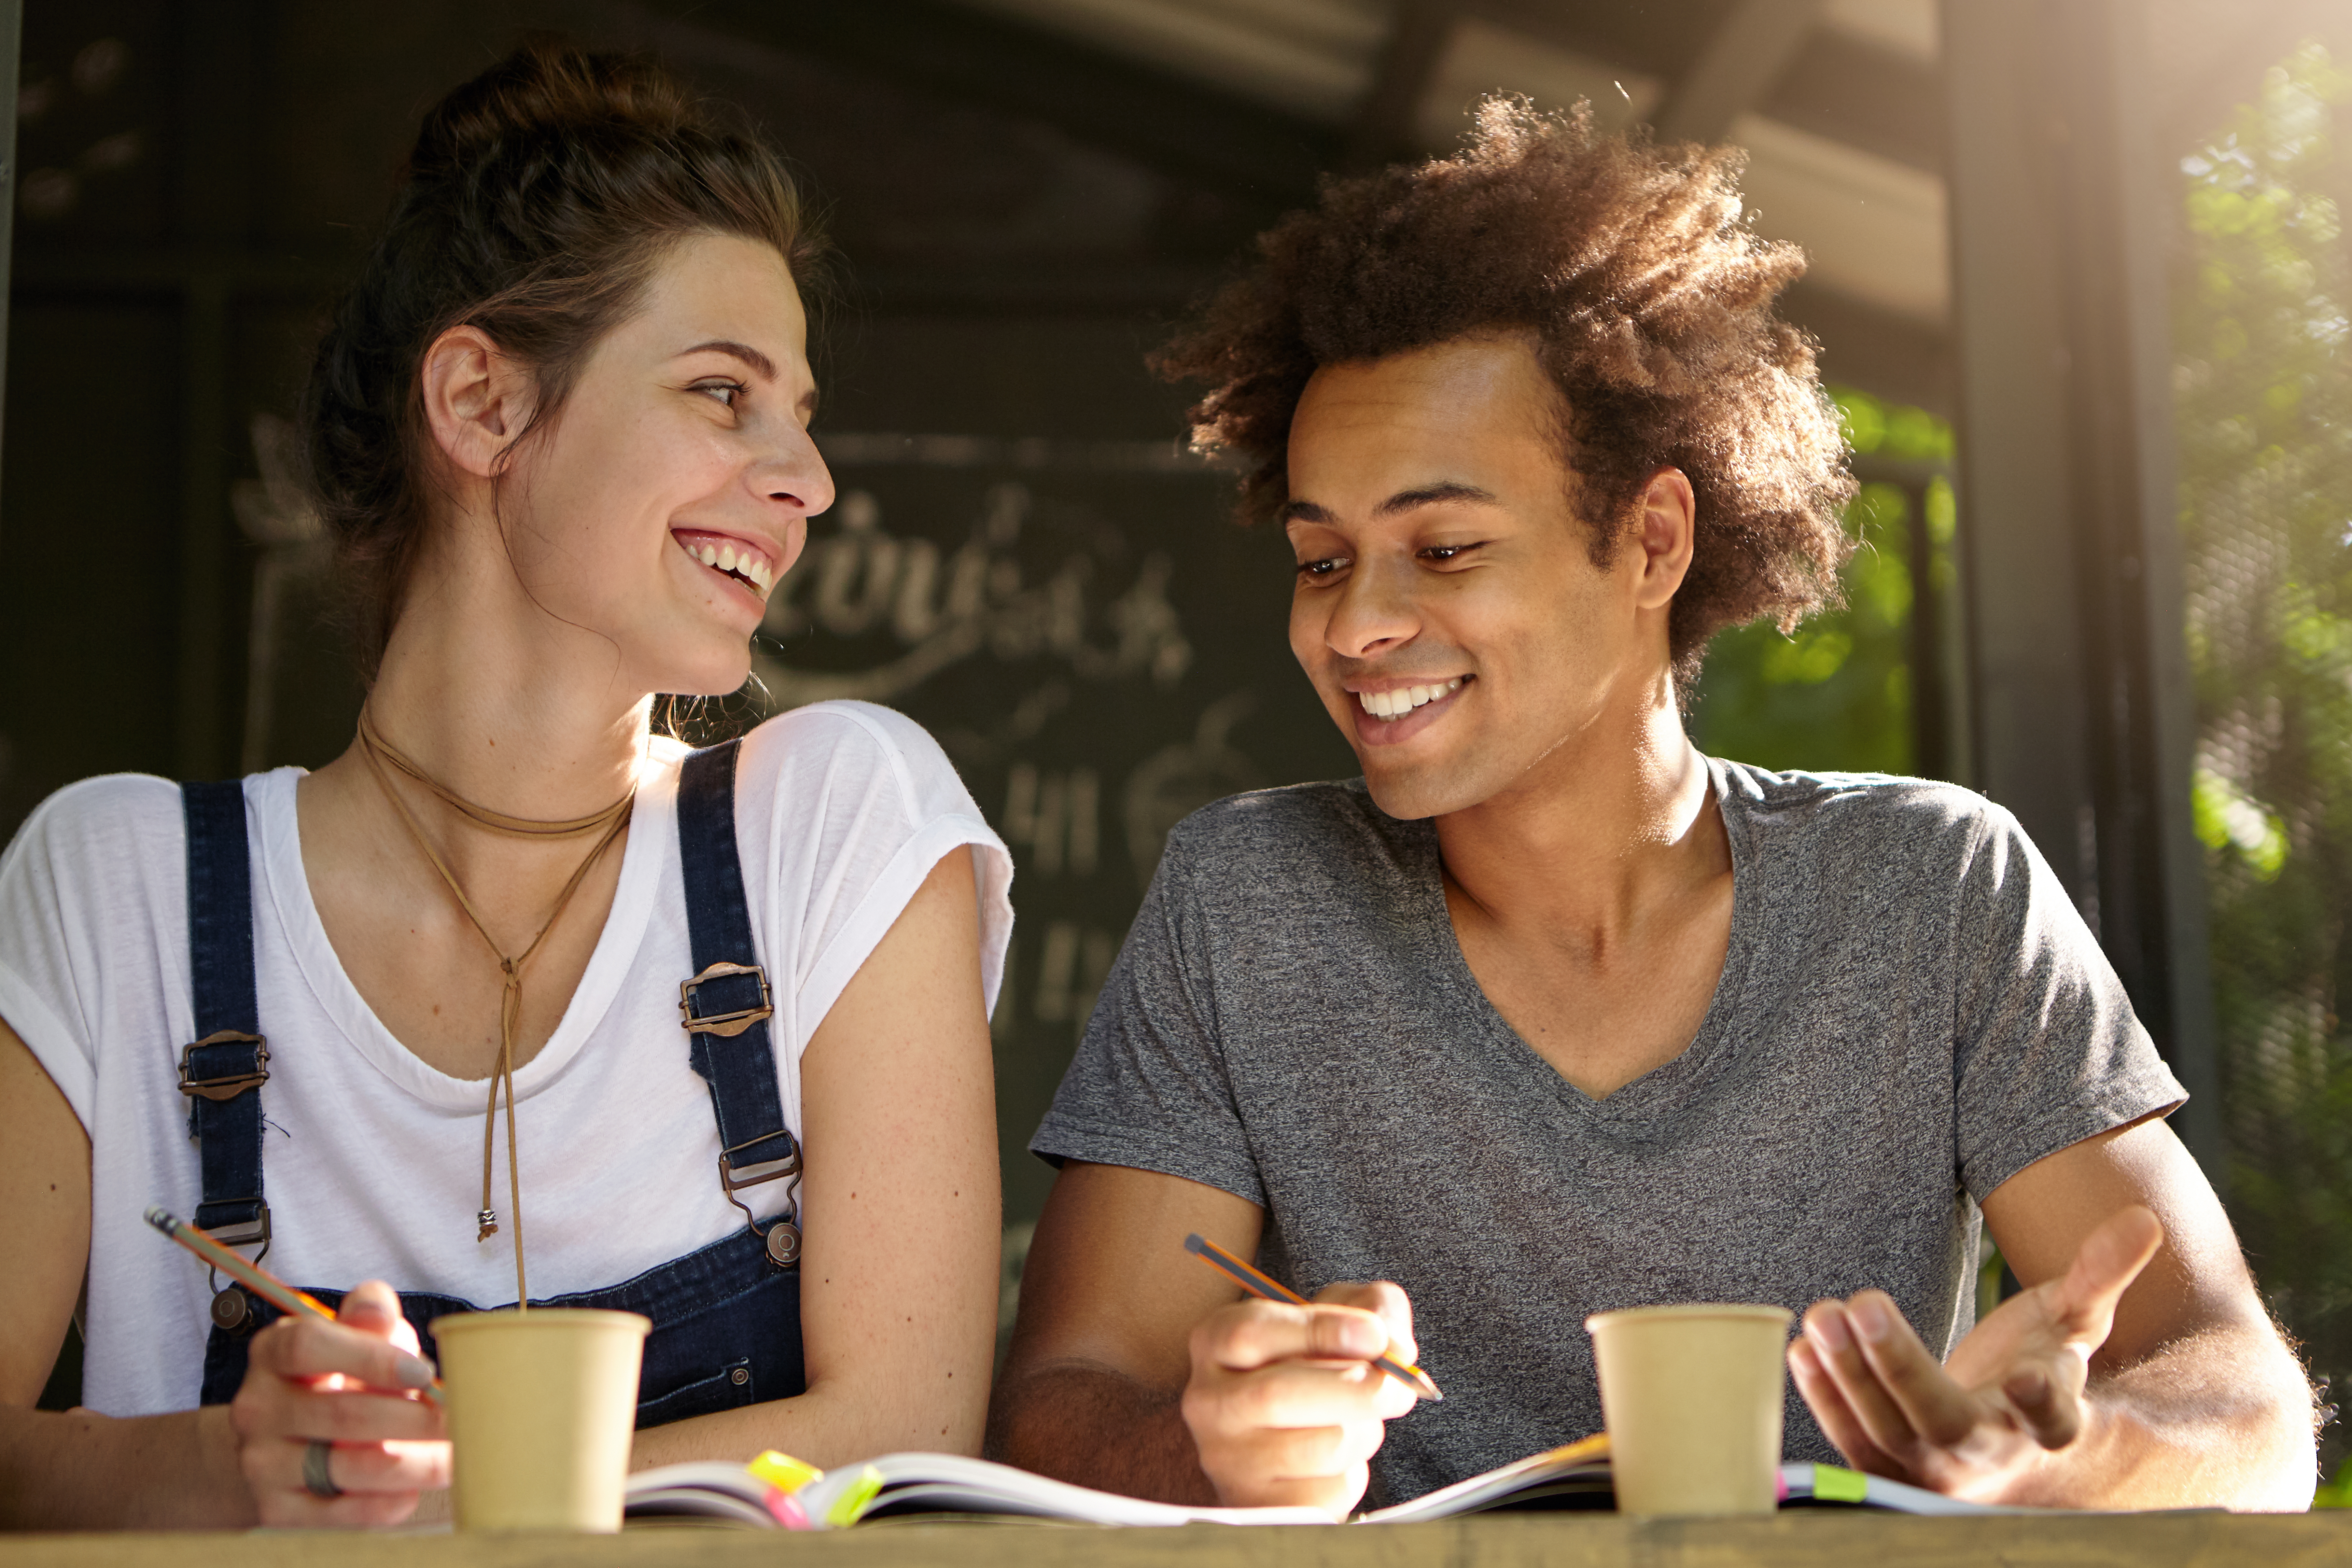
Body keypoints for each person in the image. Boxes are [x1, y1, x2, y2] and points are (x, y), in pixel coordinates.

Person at [989, 102, 2317, 1515]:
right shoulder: (1247, 898)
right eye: (1323, 559)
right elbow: (1058, 1412)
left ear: (1653, 540)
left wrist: (2072, 1455)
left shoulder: (1932, 890)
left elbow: (2246, 1405)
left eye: (1446, 547)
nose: (1355, 624)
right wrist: (1212, 1450)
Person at [0, 42, 1010, 1530]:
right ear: (480, 404)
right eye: (723, 393)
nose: (810, 478)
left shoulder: (830, 824)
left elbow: (901, 1428)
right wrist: (233, 1465)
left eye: (800, 411)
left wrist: (426, 1490)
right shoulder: (122, 887)